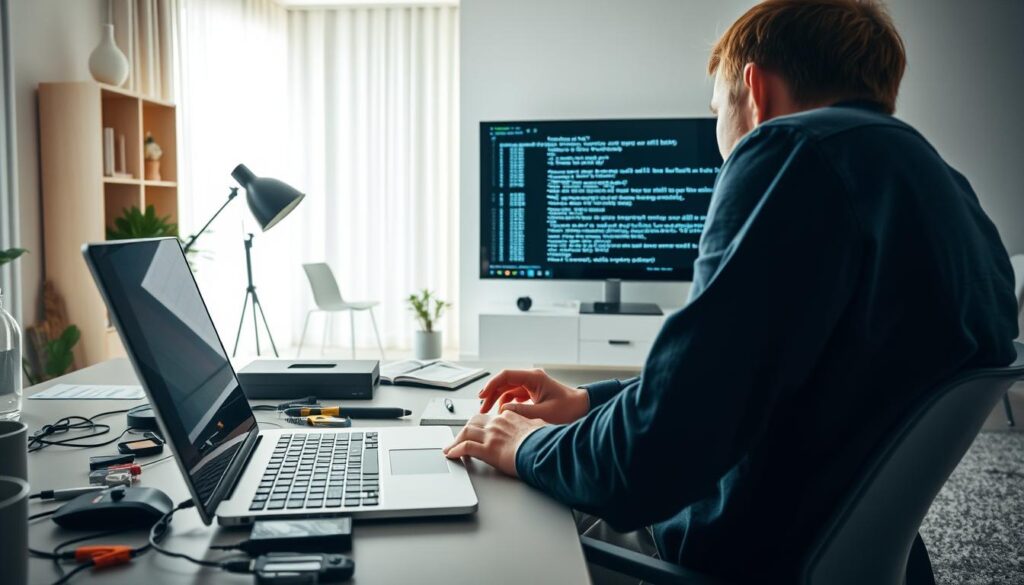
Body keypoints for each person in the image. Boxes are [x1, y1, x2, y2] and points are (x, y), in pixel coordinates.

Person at [445, 0, 1019, 581]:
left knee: (491, 504)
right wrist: (587, 404)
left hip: (725, 552)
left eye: (716, 109)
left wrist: (524, 444)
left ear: (754, 89)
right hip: (830, 542)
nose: (721, 134)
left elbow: (642, 467)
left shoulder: (789, 151)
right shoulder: (949, 192)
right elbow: (754, 381)